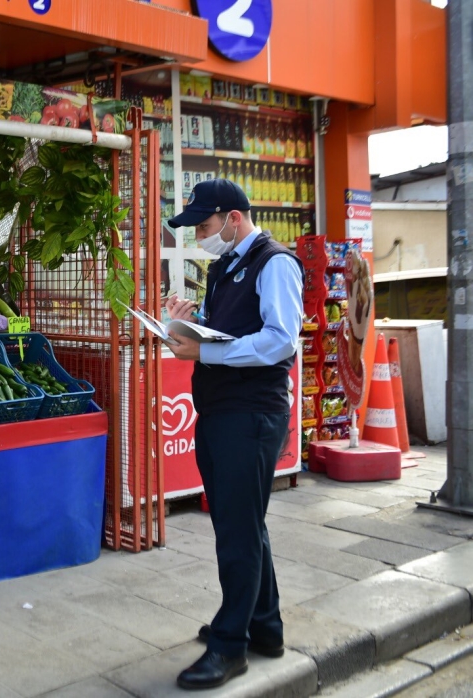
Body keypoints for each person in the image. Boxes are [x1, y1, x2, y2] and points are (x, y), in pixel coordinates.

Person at [164, 179, 303, 690]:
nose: (200, 237)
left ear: (234, 218)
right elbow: (229, 329)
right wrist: (186, 325)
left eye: (204, 227)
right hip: (222, 410)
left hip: (251, 413)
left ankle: (230, 646)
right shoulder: (225, 267)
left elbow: (280, 340)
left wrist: (207, 351)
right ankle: (264, 627)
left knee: (238, 533)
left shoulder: (275, 263)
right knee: (241, 523)